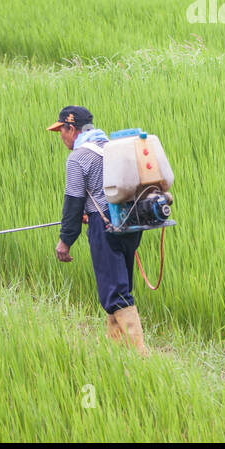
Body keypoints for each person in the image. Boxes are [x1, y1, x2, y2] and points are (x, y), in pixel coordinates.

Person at [48, 105, 148, 356]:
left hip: (104, 228)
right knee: (118, 287)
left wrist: (65, 241)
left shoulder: (78, 158)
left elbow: (72, 202)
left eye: (61, 130)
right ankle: (116, 352)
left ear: (72, 129)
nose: (60, 135)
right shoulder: (113, 148)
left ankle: (140, 356)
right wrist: (90, 210)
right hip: (131, 223)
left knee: (115, 293)